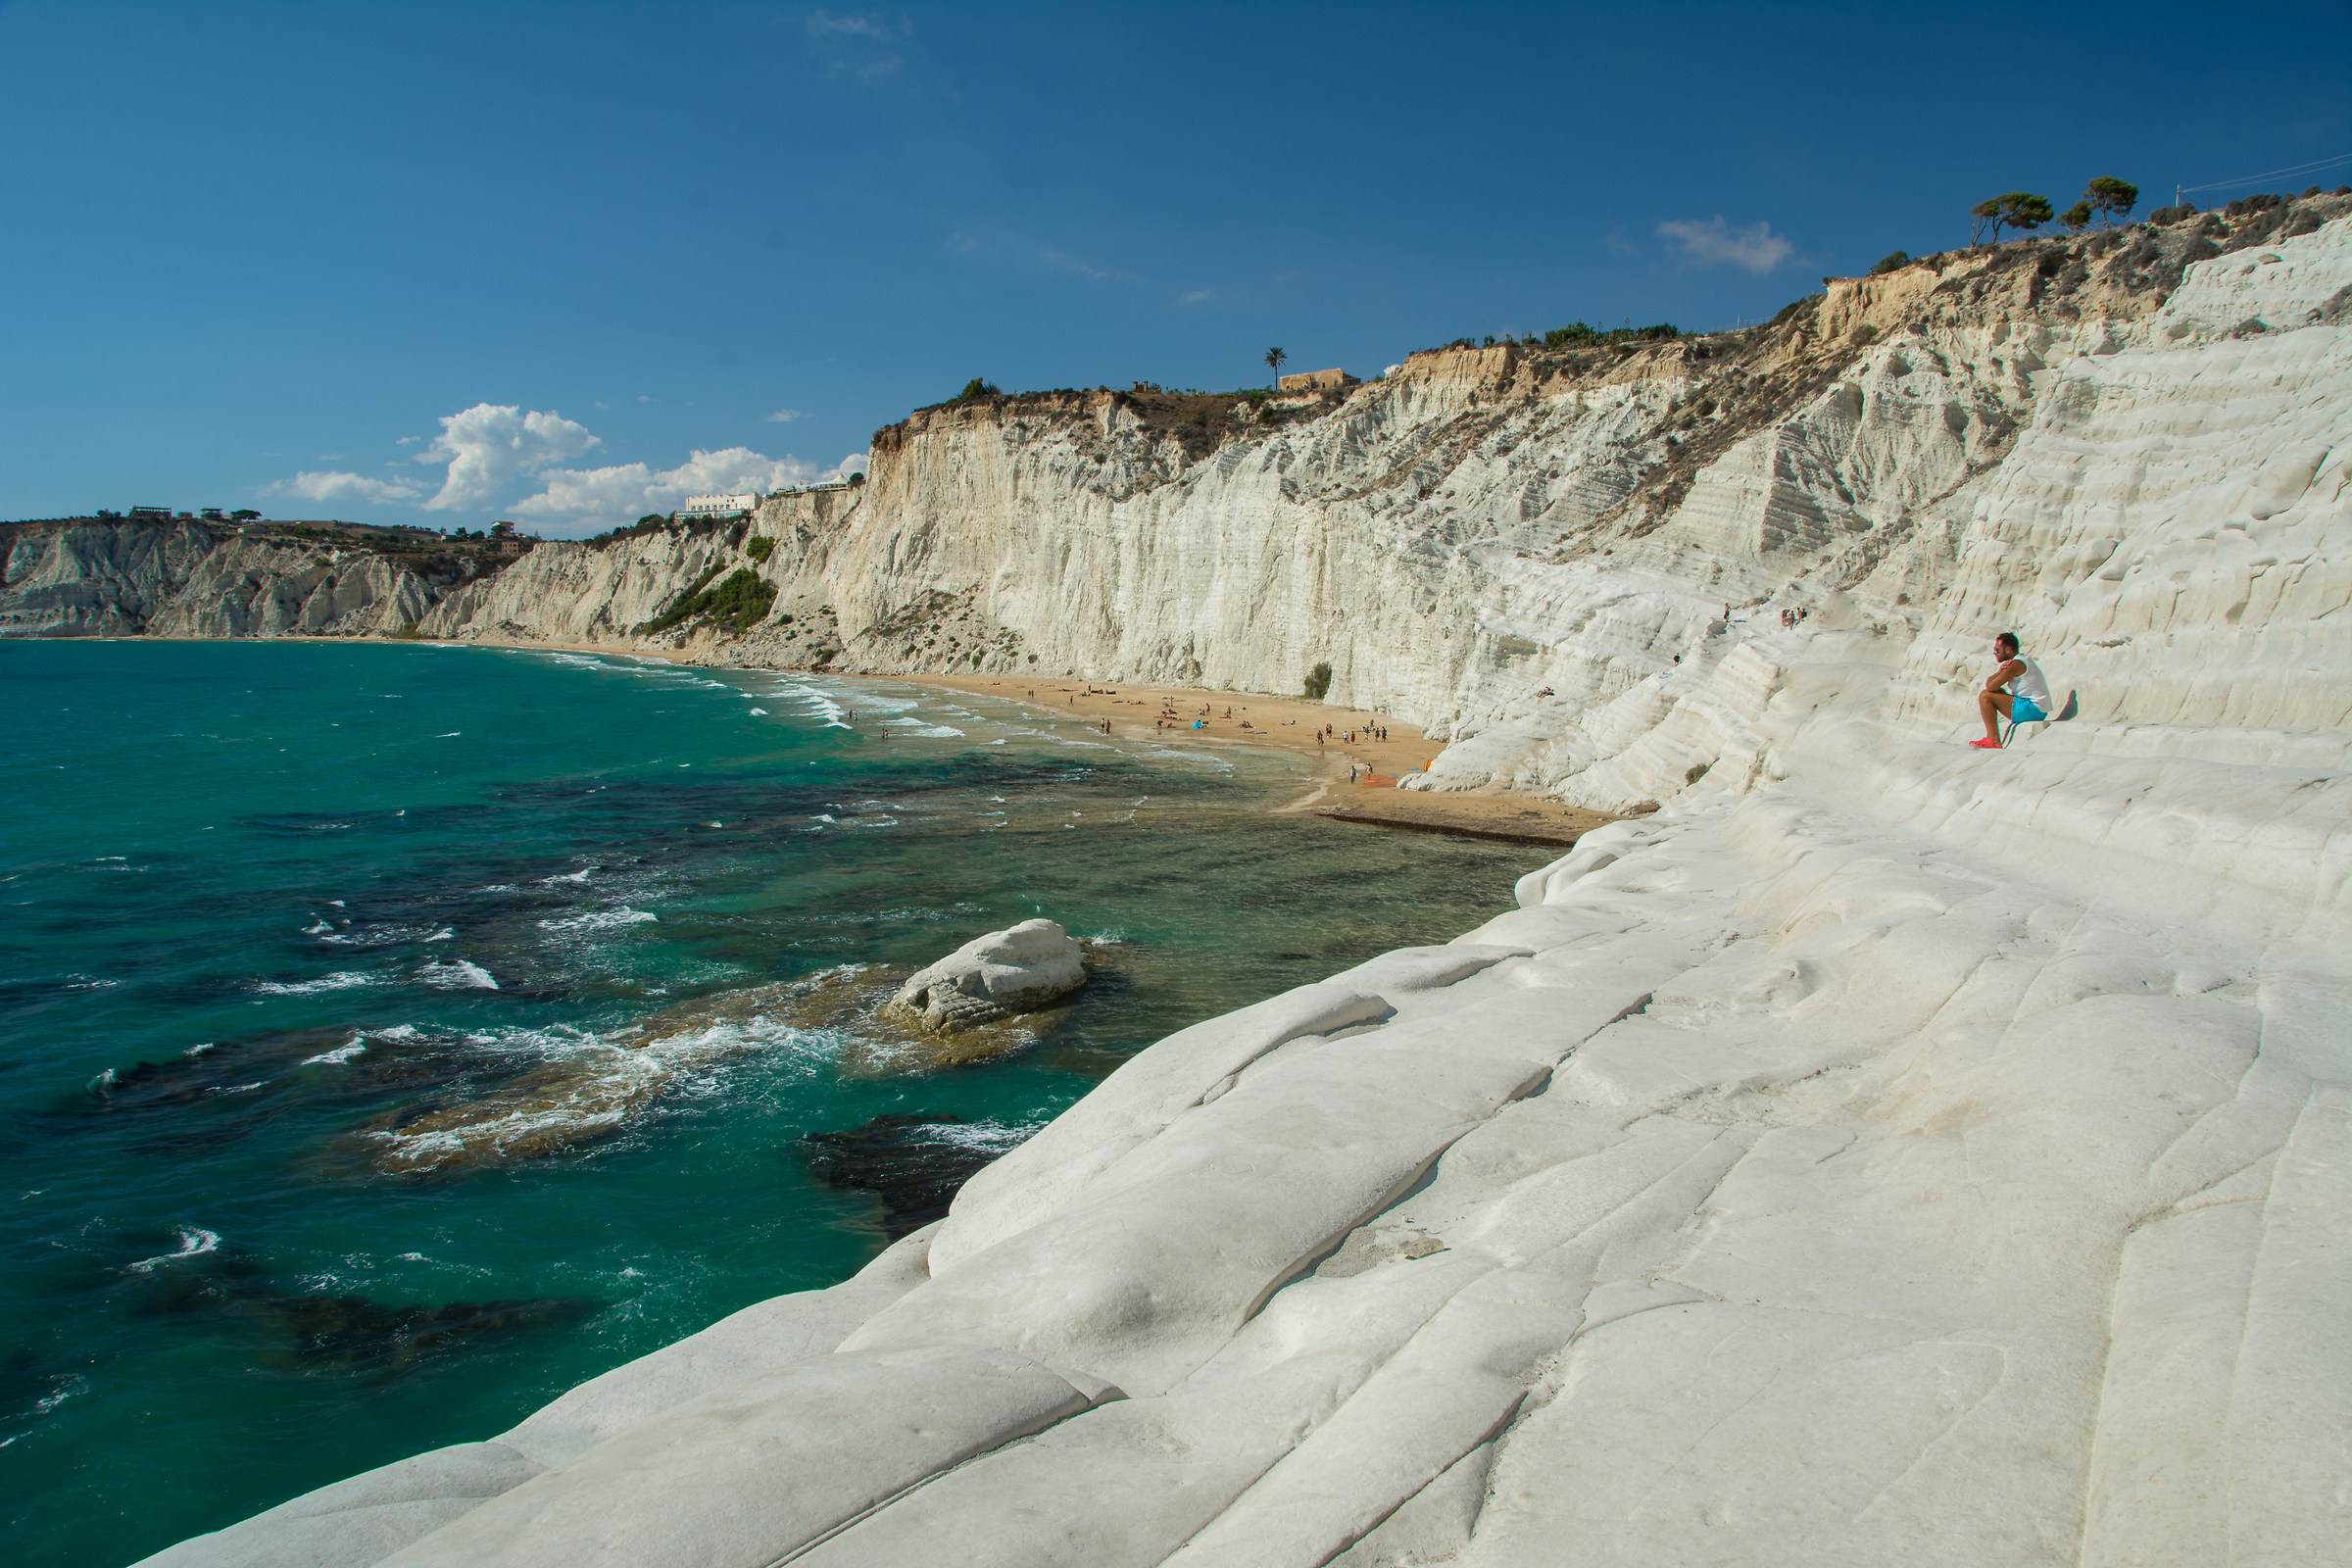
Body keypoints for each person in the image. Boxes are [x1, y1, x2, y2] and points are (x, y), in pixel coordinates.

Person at [1972, 631, 2052, 749]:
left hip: (2033, 709)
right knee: (1995, 693)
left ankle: (1993, 740)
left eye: (1997, 650)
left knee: (1985, 696)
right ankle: (1992, 739)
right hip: (2036, 709)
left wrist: (2001, 673)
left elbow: (1990, 687)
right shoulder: (2020, 660)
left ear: (2008, 650)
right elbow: (1990, 684)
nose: (1995, 653)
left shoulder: (2016, 664)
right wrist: (1999, 671)